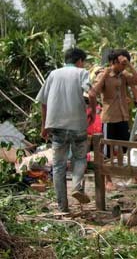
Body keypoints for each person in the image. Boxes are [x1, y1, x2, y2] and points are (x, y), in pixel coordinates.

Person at [36, 48, 96, 212]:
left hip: (57, 127)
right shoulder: (82, 72)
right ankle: (77, 186)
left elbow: (43, 102)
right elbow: (91, 93)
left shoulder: (53, 74)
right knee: (79, 158)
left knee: (59, 166)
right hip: (78, 126)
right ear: (79, 61)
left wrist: (44, 126)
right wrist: (93, 112)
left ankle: (63, 207)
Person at [91, 49, 137, 190]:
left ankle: (134, 175)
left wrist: (130, 65)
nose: (123, 66)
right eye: (121, 63)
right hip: (110, 117)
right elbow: (94, 91)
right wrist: (105, 74)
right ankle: (108, 180)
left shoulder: (123, 75)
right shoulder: (103, 74)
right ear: (113, 62)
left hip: (123, 115)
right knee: (107, 149)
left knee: (127, 147)